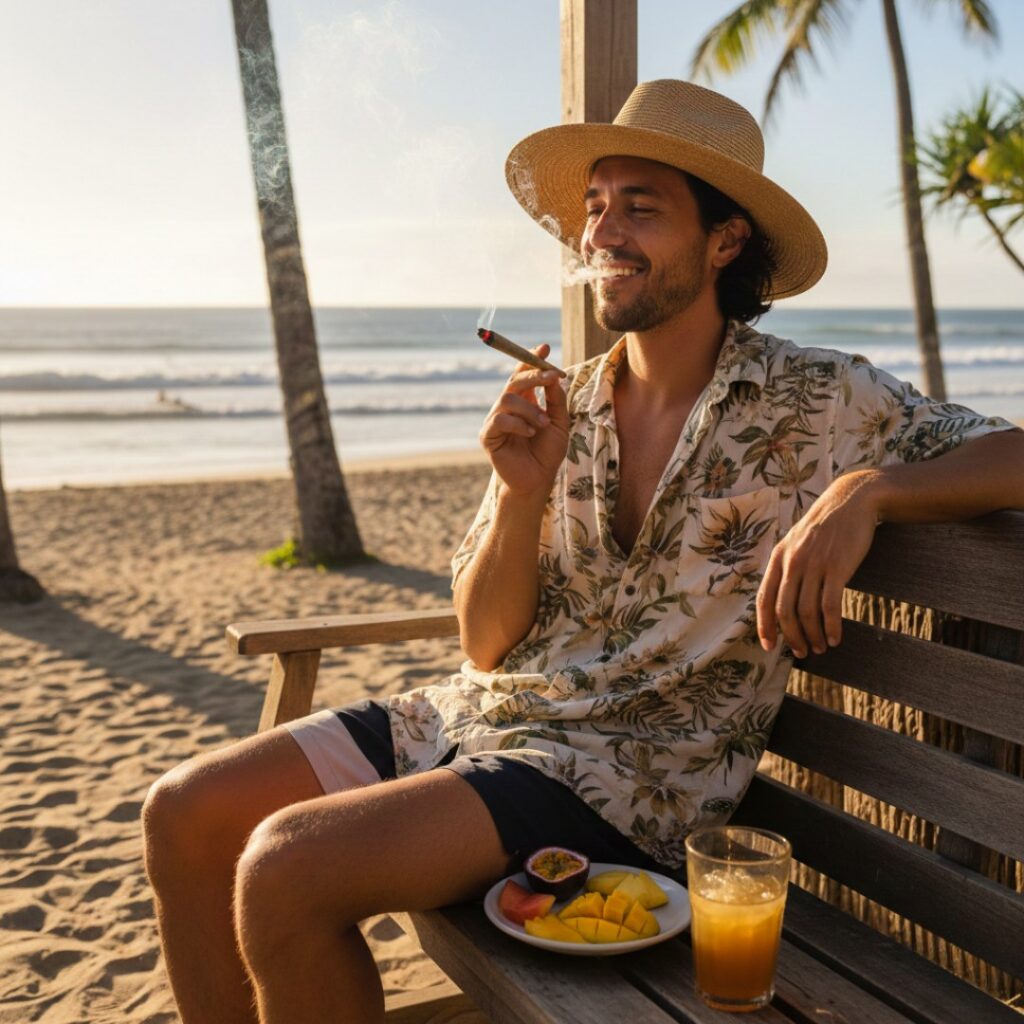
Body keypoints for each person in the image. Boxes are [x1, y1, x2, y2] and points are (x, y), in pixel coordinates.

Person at [141, 79, 1024, 1024]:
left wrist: (866, 491)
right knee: (183, 815)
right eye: (595, 208)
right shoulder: (567, 401)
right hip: (478, 720)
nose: (602, 233)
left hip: (626, 782)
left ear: (725, 241)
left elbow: (1011, 449)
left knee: (286, 868)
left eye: (640, 209)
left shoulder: (821, 399)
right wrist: (520, 495)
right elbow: (484, 645)